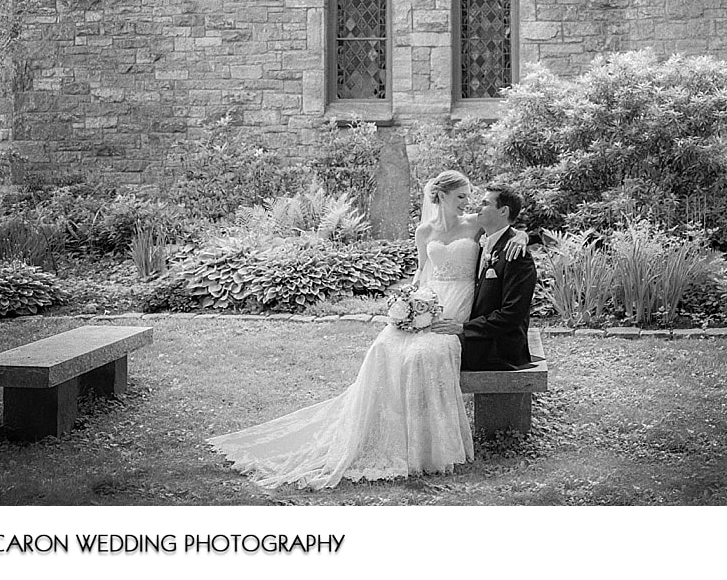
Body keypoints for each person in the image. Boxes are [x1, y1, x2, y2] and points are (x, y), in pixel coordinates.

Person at [206, 170, 528, 489]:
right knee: (383, 349)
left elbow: (508, 229)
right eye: (461, 196)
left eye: (472, 199)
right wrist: (408, 302)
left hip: (457, 307)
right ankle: (374, 432)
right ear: (441, 195)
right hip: (428, 302)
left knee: (419, 356)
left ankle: (423, 448)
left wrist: (523, 236)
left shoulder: (474, 225)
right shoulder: (423, 231)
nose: (468, 203)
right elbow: (420, 272)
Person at [430, 184, 538, 371]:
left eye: (485, 203)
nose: (477, 207)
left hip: (497, 346)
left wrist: (464, 328)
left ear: (503, 211)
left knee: (428, 354)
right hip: (479, 333)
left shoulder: (517, 255)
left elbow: (512, 314)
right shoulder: (485, 243)